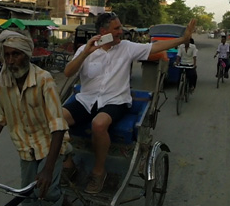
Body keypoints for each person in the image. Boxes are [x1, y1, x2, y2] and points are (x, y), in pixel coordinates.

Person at [61, 14, 196, 194]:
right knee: (55, 119)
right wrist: (86, 52)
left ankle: (99, 172)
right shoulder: (85, 51)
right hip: (87, 100)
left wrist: (183, 39)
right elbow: (68, 72)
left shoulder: (126, 47)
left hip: (115, 101)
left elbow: (154, 47)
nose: (121, 32)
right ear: (103, 32)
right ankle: (68, 162)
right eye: (116, 29)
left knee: (99, 124)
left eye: (120, 28)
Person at [0, 30, 68, 206]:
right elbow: (0, 118)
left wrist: (48, 168)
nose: (10, 61)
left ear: (26, 55)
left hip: (48, 146)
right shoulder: (3, 83)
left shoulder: (44, 80)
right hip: (26, 149)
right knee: (27, 198)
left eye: (15, 54)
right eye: (7, 55)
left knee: (47, 193)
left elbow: (58, 126)